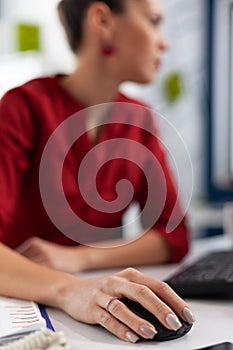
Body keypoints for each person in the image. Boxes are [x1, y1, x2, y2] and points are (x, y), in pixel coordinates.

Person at [0, 0, 195, 343]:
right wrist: (72, 291)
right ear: (103, 20)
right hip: (28, 314)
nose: (164, 42)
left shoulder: (140, 119)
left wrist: (77, 259)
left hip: (95, 307)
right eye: (153, 21)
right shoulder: (22, 108)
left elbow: (173, 237)